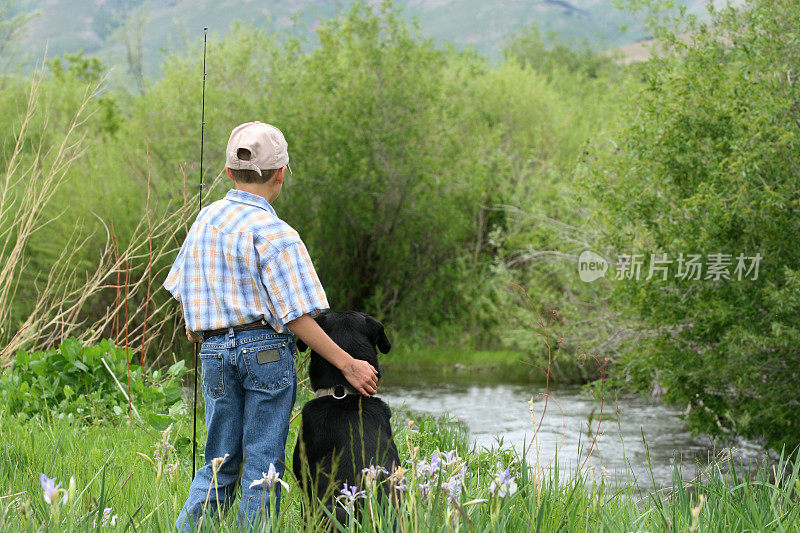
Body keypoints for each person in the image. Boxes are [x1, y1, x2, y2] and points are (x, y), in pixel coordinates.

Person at [163, 121, 378, 530]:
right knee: (263, 469)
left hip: (212, 353)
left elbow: (184, 292)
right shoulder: (277, 233)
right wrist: (347, 363)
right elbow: (298, 316)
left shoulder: (205, 220)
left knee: (218, 462)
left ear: (229, 172)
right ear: (281, 173)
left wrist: (198, 324)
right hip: (264, 352)